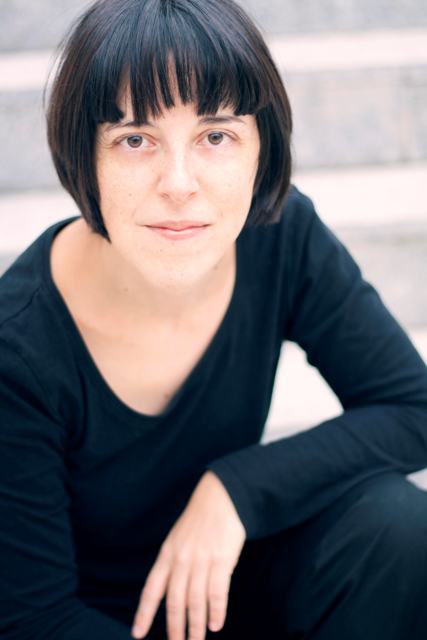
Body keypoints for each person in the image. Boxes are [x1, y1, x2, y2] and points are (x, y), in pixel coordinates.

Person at [1, 0, 427, 638]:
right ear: (84, 157)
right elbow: (33, 619)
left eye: (216, 136)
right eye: (135, 139)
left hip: (229, 584)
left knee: (395, 527)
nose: (179, 184)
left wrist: (235, 488)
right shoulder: (18, 347)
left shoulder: (280, 235)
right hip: (93, 621)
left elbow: (412, 408)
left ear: (260, 151)